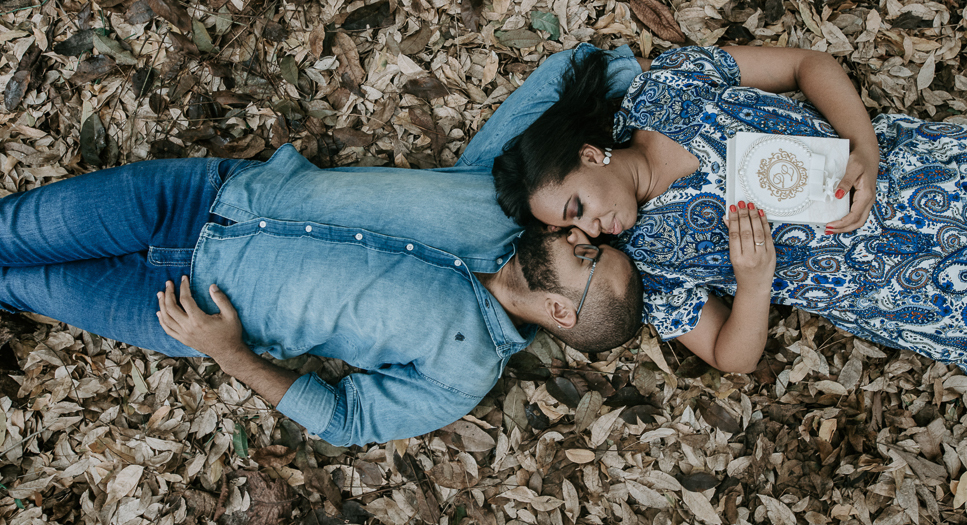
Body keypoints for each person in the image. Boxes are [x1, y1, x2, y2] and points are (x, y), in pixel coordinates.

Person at [0, 145, 644, 446]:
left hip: (175, 306)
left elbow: (347, 420)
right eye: (590, 237)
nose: (577, 233)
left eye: (586, 255)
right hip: (193, 197)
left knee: (10, 282)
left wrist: (229, 354)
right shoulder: (503, 198)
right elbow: (563, 83)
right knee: (8, 231)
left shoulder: (464, 372)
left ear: (560, 312)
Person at [481, 43, 967, 377]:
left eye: (577, 206)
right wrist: (753, 285)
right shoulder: (645, 264)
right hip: (912, 283)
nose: (590, 229)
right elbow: (731, 357)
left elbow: (806, 65)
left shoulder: (667, 88)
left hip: (935, 173)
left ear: (592, 156)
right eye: (570, 226)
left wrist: (863, 147)